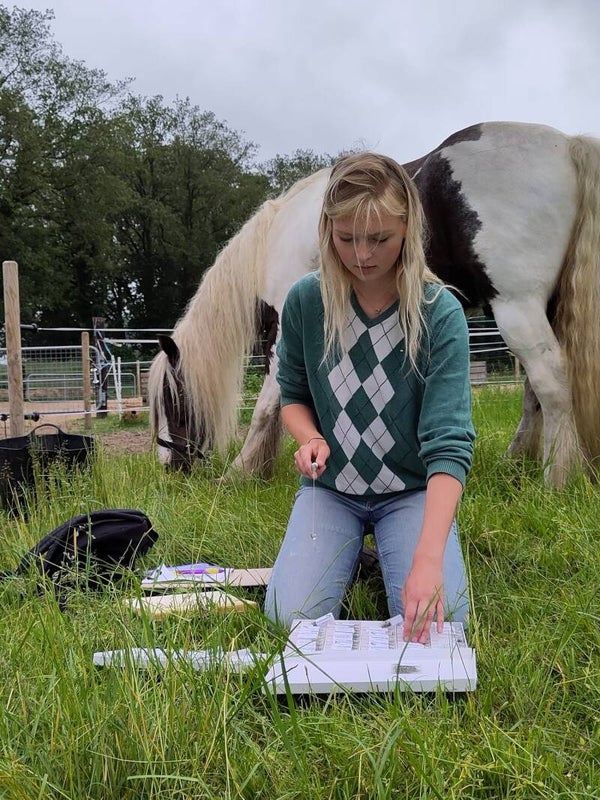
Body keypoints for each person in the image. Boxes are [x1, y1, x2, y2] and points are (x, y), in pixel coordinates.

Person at [264, 152, 475, 643]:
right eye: (345, 238)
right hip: (331, 491)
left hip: (411, 492)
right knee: (285, 617)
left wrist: (428, 563)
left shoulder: (440, 315)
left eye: (379, 238)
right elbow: (292, 394)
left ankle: (403, 547)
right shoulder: (304, 301)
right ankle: (353, 549)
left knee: (447, 621)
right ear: (327, 230)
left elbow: (449, 446)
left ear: (408, 228)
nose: (361, 254)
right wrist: (309, 436)